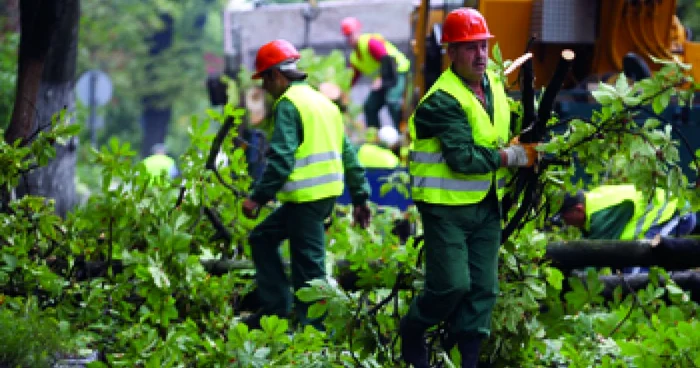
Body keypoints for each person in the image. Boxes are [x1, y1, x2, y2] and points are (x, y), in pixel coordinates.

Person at [400, 8, 539, 368]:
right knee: (452, 286)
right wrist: (514, 157)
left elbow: (499, 127)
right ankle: (413, 329)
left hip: (484, 202)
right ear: (451, 52)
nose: (480, 55)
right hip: (445, 207)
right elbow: (462, 158)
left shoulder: (491, 83)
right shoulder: (442, 100)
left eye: (483, 46)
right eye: (469, 48)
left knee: (484, 289)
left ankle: (470, 362)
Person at [240, 39, 372, 329]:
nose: (263, 88)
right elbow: (349, 154)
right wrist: (361, 198)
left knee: (308, 268)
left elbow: (281, 159)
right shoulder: (324, 104)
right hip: (318, 198)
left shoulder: (289, 105)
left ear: (276, 75)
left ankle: (317, 334)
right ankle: (276, 310)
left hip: (307, 200)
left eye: (264, 79)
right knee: (261, 238)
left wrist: (258, 197)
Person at [557, 184, 697, 272]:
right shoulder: (592, 206)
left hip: (676, 213)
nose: (565, 222)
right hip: (667, 217)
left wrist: (570, 275)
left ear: (578, 209)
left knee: (636, 273)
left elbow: (594, 258)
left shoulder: (601, 216)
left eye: (565, 216)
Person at [341, 16, 411, 131]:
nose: (349, 39)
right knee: (370, 106)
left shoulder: (370, 42)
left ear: (358, 31)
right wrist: (344, 91)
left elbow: (386, 59)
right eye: (346, 36)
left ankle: (402, 132)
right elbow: (352, 78)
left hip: (397, 73)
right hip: (384, 80)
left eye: (350, 34)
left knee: (392, 101)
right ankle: (375, 135)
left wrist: (381, 79)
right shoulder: (355, 57)